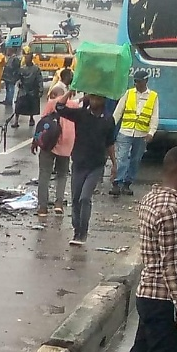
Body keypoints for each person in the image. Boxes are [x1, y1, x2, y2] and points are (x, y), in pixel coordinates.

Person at [129, 145, 177, 352]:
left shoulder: (152, 198)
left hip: (147, 295)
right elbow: (173, 266)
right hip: (164, 301)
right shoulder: (173, 211)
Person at [56, 91, 117, 245]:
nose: (95, 101)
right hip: (78, 162)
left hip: (96, 165)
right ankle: (76, 229)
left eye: (99, 97)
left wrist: (114, 164)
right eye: (93, 97)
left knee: (85, 198)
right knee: (75, 198)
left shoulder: (108, 119)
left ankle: (82, 233)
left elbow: (110, 143)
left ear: (103, 99)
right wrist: (71, 91)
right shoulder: (81, 115)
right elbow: (60, 107)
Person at [111, 70, 159, 196]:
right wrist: (110, 125)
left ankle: (127, 183)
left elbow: (154, 116)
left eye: (139, 81)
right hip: (125, 131)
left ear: (146, 81)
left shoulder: (153, 96)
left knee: (135, 159)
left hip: (141, 133)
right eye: (135, 81)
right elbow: (118, 111)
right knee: (121, 157)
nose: (136, 84)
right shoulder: (128, 93)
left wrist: (151, 132)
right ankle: (117, 182)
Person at [32, 85, 78, 216]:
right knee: (62, 175)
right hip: (67, 144)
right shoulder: (74, 105)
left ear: (54, 95)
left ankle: (42, 207)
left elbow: (42, 125)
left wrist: (35, 141)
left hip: (50, 143)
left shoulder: (53, 103)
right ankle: (59, 204)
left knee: (44, 174)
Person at [12, 52, 43, 128]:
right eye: (25, 58)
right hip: (23, 90)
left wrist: (40, 90)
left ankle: (31, 119)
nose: (26, 60)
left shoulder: (36, 69)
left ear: (31, 59)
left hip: (32, 89)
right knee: (18, 106)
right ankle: (16, 121)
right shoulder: (22, 68)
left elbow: (39, 80)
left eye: (28, 58)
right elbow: (17, 77)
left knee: (31, 106)